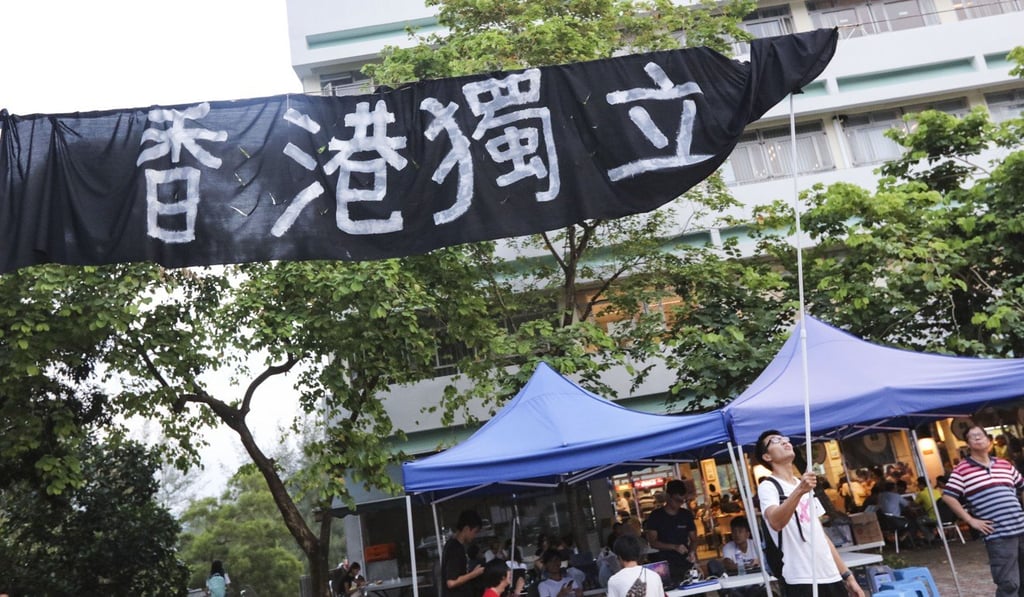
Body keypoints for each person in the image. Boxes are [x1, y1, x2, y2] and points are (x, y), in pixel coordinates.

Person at [755, 430, 863, 597]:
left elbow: (821, 536)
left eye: (785, 438)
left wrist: (847, 576)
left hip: (830, 574)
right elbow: (775, 522)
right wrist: (800, 491)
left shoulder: (803, 484)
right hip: (801, 577)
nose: (784, 441)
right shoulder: (769, 486)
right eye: (775, 441)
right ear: (767, 457)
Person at [942, 423, 1024, 597]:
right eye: (973, 436)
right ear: (968, 443)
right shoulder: (962, 470)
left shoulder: (1004, 464)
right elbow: (948, 496)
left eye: (981, 435)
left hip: (1021, 527)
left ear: (989, 440)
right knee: (1009, 583)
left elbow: (1021, 486)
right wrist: (971, 520)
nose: (978, 438)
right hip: (998, 534)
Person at [643, 479, 697, 584]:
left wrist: (692, 551)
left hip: (685, 561)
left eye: (683, 501)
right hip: (664, 563)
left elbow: (694, 539)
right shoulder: (656, 516)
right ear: (668, 496)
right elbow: (653, 542)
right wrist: (674, 547)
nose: (680, 504)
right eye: (677, 500)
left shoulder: (686, 515)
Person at [442, 510, 486, 597]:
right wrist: (473, 574)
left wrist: (472, 572)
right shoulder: (454, 548)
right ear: (466, 529)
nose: (475, 536)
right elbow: (451, 582)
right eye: (475, 532)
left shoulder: (455, 546)